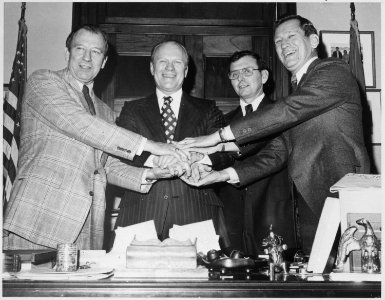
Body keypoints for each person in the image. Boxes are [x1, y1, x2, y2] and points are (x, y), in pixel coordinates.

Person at [178, 15, 370, 254]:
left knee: (351, 281)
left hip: (340, 196)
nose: (284, 45)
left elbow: (287, 110)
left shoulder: (333, 71)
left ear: (313, 40)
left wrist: (217, 137)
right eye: (278, 42)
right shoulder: (299, 87)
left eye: (291, 37)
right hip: (309, 206)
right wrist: (220, 173)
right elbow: (278, 151)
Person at [3, 25, 185, 251]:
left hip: (88, 227)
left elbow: (107, 166)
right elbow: (79, 123)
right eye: (80, 49)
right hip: (38, 217)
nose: (87, 58)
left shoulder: (105, 111)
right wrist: (152, 146)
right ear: (67, 53)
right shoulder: (43, 82)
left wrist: (150, 173)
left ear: (104, 61)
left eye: (96, 52)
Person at [114, 40, 230, 250]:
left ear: (186, 71)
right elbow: (121, 150)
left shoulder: (208, 109)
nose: (169, 68)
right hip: (141, 211)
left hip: (196, 212)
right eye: (163, 61)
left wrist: (202, 159)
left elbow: (227, 152)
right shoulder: (132, 110)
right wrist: (154, 160)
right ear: (152, 68)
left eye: (176, 62)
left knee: (199, 281)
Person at [206, 50, 294, 257]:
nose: (240, 78)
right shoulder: (222, 124)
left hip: (274, 215)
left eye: (246, 71)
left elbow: (275, 155)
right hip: (232, 222)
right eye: (234, 74)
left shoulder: (283, 112)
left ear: (263, 76)